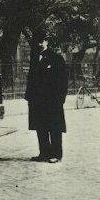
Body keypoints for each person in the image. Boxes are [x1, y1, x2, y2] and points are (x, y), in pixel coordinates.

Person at [25, 30, 68, 163]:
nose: (39, 44)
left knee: (54, 128)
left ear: (47, 42)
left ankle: (56, 154)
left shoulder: (56, 58)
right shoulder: (34, 59)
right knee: (41, 127)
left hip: (52, 100)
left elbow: (63, 80)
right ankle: (43, 153)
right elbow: (31, 79)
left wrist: (61, 98)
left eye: (41, 41)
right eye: (37, 41)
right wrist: (29, 98)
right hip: (38, 101)